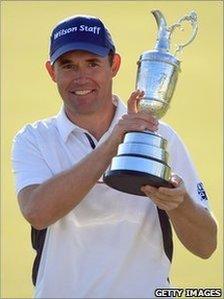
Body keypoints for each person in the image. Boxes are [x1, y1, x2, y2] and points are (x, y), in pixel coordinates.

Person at [12, 15, 217, 299]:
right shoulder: (34, 138)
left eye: (93, 63)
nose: (81, 77)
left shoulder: (160, 135)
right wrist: (112, 142)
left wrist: (178, 204)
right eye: (68, 65)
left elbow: (206, 245)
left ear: (114, 65)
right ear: (52, 71)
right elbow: (37, 212)